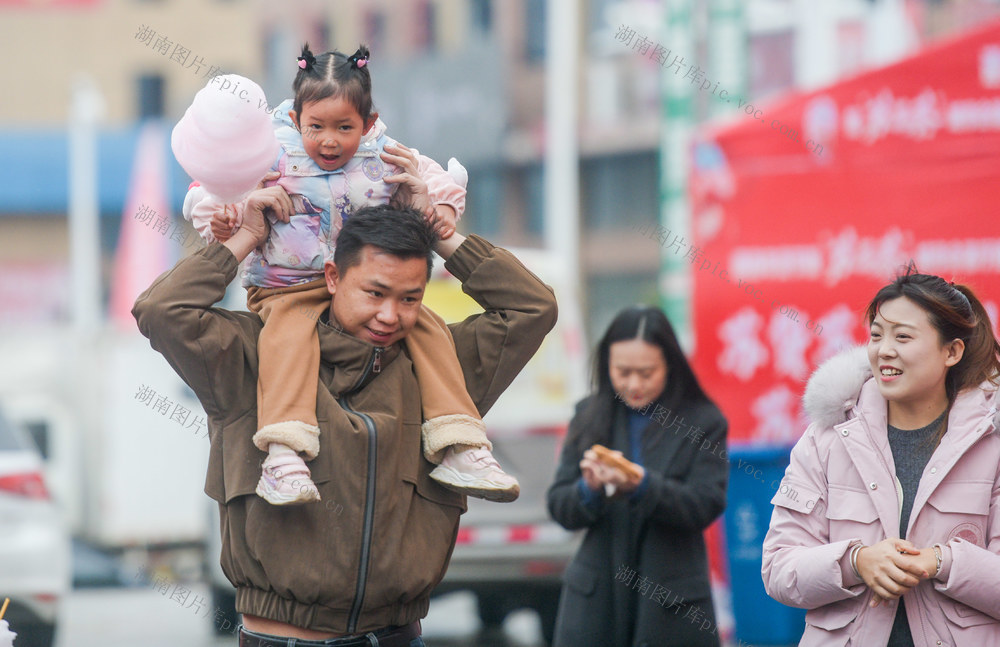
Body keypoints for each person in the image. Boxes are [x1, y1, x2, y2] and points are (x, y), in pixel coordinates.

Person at [133, 151, 557, 644]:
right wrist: (245, 237)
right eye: (374, 293)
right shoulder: (251, 355)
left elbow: (532, 307)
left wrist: (440, 231)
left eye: (410, 298)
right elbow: (162, 310)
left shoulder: (442, 369)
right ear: (333, 277)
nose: (390, 315)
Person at [182, 43, 518, 505]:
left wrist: (439, 208)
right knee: (288, 337)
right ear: (296, 118)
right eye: (316, 126)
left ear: (368, 122)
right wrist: (224, 222)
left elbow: (436, 179)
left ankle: (460, 442)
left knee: (430, 329)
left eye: (345, 127)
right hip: (285, 288)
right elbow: (217, 194)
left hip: (361, 286)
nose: (330, 140)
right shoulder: (270, 156)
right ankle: (284, 452)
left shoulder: (386, 155)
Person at [762, 265, 1000, 646]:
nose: (883, 350)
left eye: (903, 336)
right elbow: (778, 568)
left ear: (952, 351)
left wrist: (942, 562)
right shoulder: (828, 438)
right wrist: (856, 562)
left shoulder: (991, 441)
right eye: (876, 335)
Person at [546, 305, 729, 647]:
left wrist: (641, 485)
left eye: (646, 373)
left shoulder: (704, 421)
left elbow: (706, 503)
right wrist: (589, 488)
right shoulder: (589, 414)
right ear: (606, 364)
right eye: (623, 371)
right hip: (597, 598)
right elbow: (559, 506)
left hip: (671, 600)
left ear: (670, 365)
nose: (633, 384)